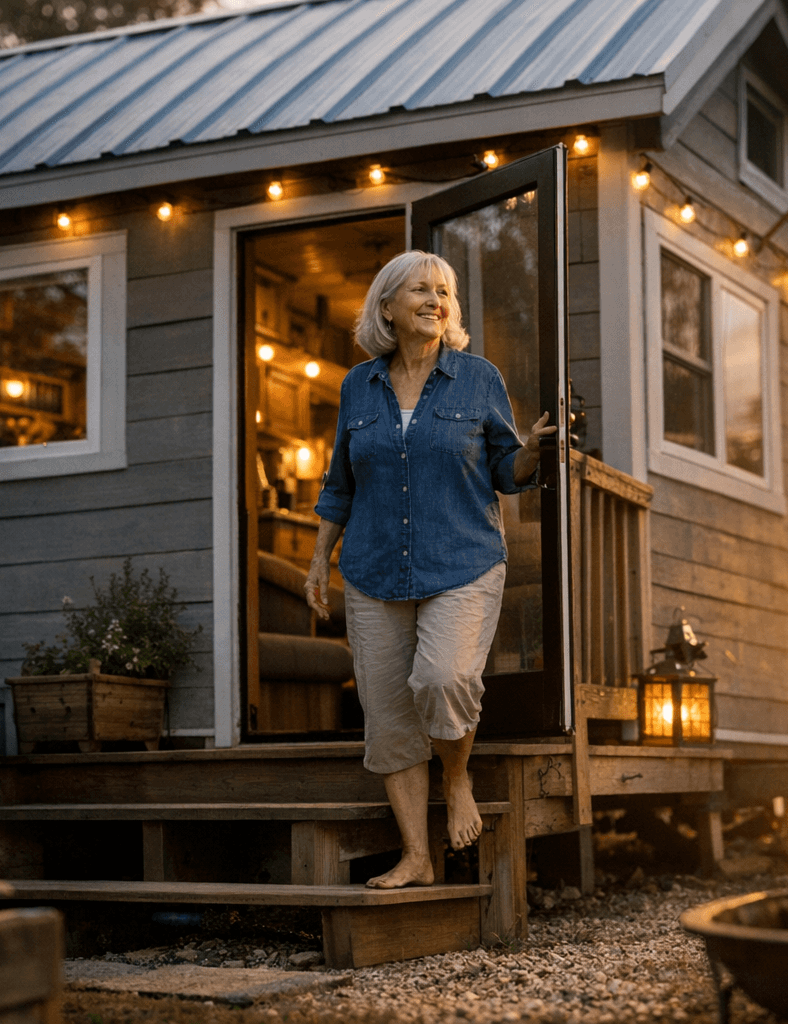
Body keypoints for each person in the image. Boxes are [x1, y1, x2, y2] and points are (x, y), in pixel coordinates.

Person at [304, 250, 556, 889]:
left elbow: (506, 472)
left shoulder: (477, 378)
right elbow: (340, 483)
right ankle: (416, 855)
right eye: (420, 290)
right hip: (372, 567)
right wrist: (316, 561)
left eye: (443, 291)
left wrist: (529, 450)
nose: (435, 301)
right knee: (388, 714)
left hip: (463, 559)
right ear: (386, 307)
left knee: (443, 678)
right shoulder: (358, 386)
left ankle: (456, 773)